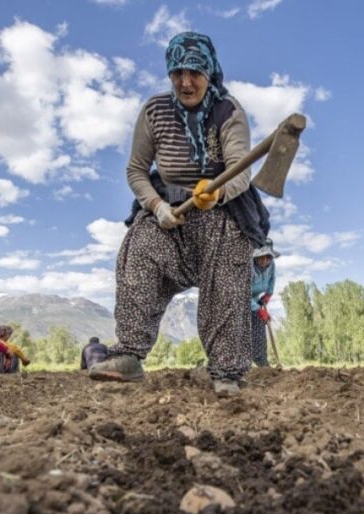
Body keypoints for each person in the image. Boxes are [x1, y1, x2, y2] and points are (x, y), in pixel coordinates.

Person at [89, 31, 270, 398]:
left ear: (209, 71)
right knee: (138, 248)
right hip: (170, 213)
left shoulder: (229, 112)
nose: (185, 82)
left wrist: (216, 192)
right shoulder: (154, 112)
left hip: (221, 212)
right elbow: (136, 170)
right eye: (177, 73)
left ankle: (225, 371)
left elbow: (241, 171)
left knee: (227, 273)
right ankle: (129, 354)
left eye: (194, 72)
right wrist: (157, 207)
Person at [249, 239, 278, 367]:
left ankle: (261, 361)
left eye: (268, 258)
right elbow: (242, 294)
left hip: (254, 299)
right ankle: (241, 363)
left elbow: (272, 279)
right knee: (241, 330)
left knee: (260, 326)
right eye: (261, 257)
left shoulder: (271, 265)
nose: (265, 261)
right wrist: (259, 310)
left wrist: (268, 294)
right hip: (237, 300)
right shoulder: (247, 267)